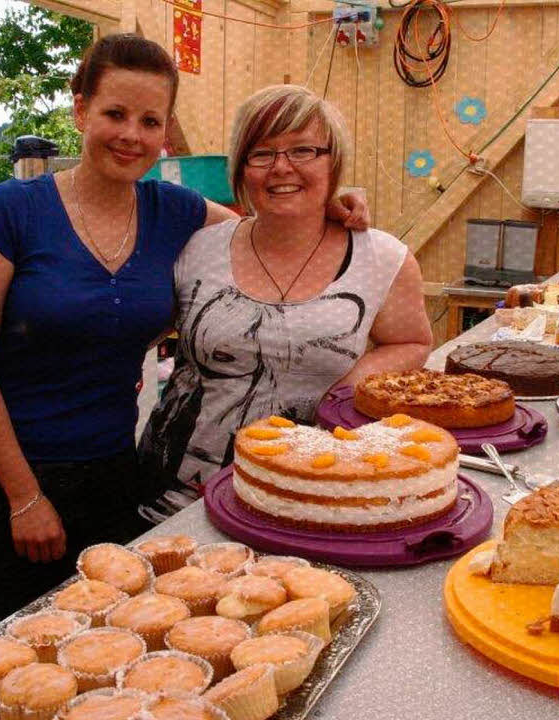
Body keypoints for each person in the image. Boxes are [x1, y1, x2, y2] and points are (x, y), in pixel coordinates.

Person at [0, 36, 368, 641]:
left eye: (150, 121)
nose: (132, 135)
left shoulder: (174, 212)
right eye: (115, 114)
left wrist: (334, 205)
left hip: (115, 476)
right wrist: (24, 496)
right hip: (2, 483)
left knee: (106, 654)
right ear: (80, 110)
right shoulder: (12, 210)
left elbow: (268, 228)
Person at [137, 85, 433, 518]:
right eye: (261, 153)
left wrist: (343, 391)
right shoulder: (196, 248)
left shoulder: (384, 259)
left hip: (307, 495)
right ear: (240, 167)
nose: (281, 168)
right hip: (170, 498)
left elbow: (410, 342)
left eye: (303, 150)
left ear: (334, 162)